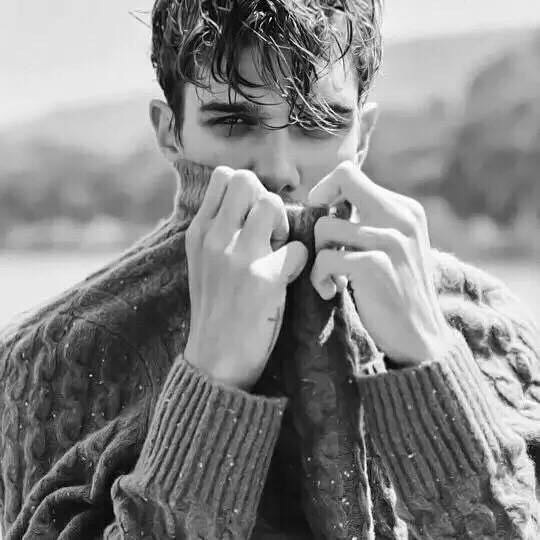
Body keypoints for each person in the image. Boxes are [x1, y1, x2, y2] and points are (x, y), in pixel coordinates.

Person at [1, 0, 540, 538]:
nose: (280, 170)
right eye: (234, 121)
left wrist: (430, 365)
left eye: (319, 121)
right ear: (169, 131)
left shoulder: (488, 324)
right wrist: (210, 384)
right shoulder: (49, 356)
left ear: (364, 132)